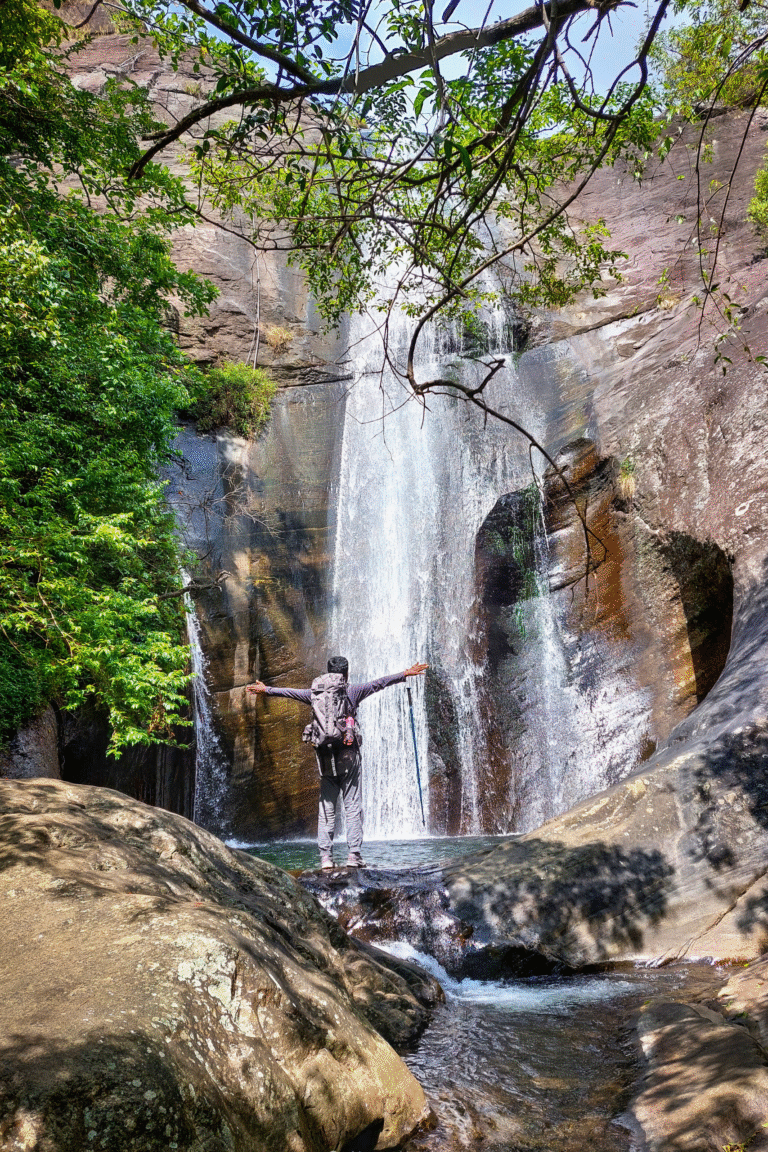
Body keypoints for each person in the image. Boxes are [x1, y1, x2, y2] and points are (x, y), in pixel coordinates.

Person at [247, 657, 428, 869]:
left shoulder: (315, 694)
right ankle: (354, 856)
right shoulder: (353, 691)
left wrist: (267, 689)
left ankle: (326, 858)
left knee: (327, 807)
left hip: (325, 756)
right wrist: (405, 673)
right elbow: (379, 683)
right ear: (346, 674)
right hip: (348, 756)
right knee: (352, 805)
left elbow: (291, 692)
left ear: (328, 672)